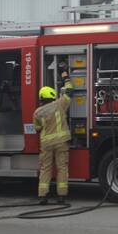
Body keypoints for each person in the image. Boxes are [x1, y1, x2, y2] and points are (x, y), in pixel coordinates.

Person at [33, 75, 73, 204]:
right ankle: (61, 196)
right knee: (62, 168)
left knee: (45, 169)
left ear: (41, 98)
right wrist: (66, 78)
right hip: (61, 143)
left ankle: (42, 196)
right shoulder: (59, 104)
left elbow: (37, 128)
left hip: (46, 144)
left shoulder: (37, 112)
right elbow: (69, 91)